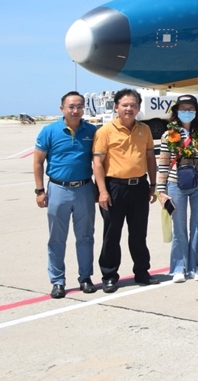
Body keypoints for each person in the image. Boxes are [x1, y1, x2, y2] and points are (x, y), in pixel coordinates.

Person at [92, 89, 158, 292]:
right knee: (112, 234)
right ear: (116, 107)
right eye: (125, 105)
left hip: (139, 186)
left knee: (138, 233)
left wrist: (153, 185)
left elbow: (150, 158)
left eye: (133, 105)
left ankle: (142, 272)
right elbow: (98, 163)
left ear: (138, 108)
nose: (129, 108)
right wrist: (102, 191)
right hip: (114, 188)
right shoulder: (105, 131)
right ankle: (109, 275)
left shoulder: (144, 129)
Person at [33, 91, 98, 298]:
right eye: (71, 106)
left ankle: (85, 278)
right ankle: (58, 281)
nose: (75, 110)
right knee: (57, 238)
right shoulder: (49, 131)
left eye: (79, 106)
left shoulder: (92, 131)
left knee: (86, 237)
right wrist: (39, 190)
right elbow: (37, 162)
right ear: (62, 108)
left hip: (85, 189)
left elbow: (98, 161)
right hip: (58, 189)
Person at [157, 94, 198, 282]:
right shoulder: (168, 134)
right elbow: (163, 164)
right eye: (183, 109)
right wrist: (161, 191)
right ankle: (179, 267)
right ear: (176, 112)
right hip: (175, 184)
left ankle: (196, 266)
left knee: (197, 225)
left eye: (190, 109)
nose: (186, 112)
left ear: (196, 111)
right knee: (178, 226)